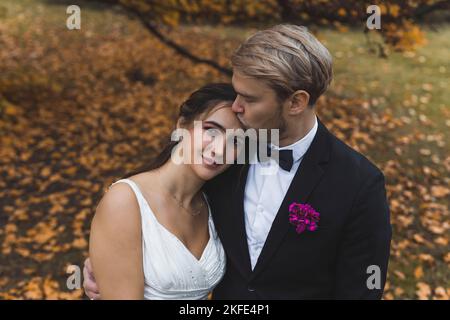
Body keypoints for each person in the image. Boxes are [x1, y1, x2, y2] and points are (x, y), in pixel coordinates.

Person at [85, 24, 392, 300]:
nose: (236, 106)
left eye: (250, 98)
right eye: (236, 93)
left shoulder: (359, 185)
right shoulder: (228, 159)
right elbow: (152, 225)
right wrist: (109, 264)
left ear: (296, 102)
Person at [87, 83, 243, 299]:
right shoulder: (125, 201)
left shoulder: (215, 201)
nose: (219, 150)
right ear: (182, 125)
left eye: (235, 141)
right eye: (211, 130)